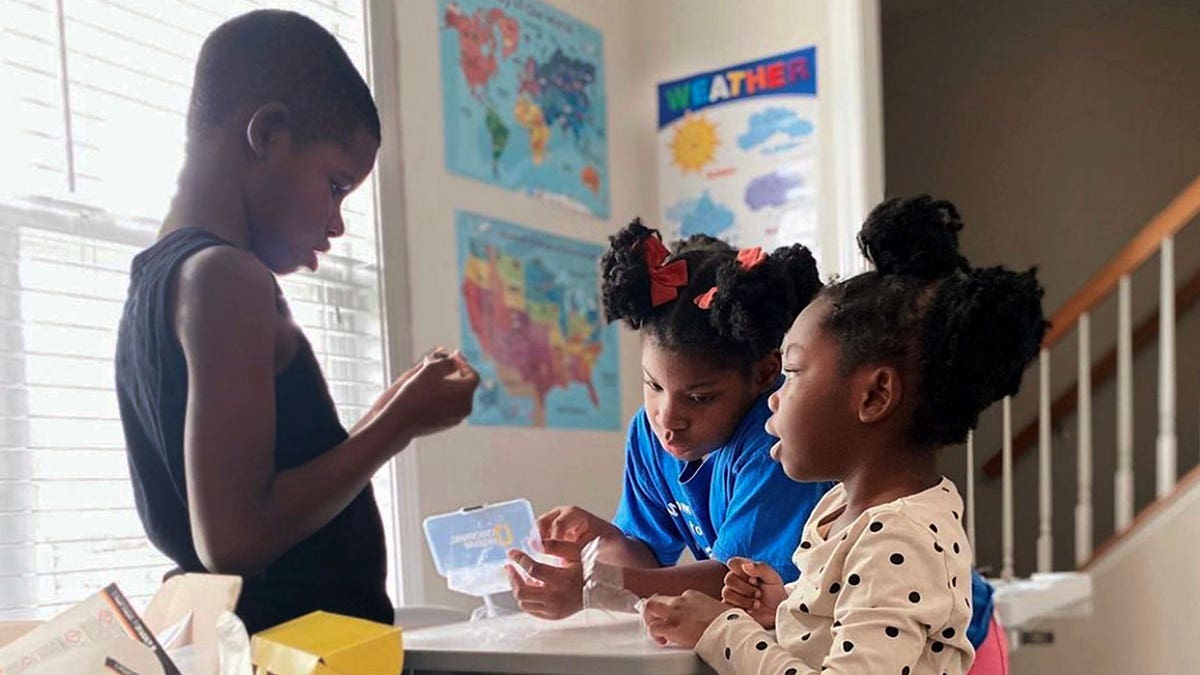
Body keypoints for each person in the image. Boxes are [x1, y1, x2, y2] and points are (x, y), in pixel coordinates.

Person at [114, 10, 479, 633]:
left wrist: (386, 411)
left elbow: (244, 491)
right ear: (270, 133)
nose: (337, 223)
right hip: (295, 652)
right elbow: (234, 540)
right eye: (336, 186)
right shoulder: (227, 277)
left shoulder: (155, 280)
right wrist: (398, 424)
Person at [642, 195, 1045, 674]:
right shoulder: (840, 509)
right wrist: (785, 605)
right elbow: (853, 618)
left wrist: (720, 631)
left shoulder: (900, 539)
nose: (774, 398)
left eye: (792, 373)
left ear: (874, 397)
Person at [505, 219, 832, 619]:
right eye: (653, 385)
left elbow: (736, 584)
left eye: (700, 397)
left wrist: (597, 587)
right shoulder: (648, 433)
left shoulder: (779, 440)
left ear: (765, 374)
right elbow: (648, 559)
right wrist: (601, 541)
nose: (668, 418)